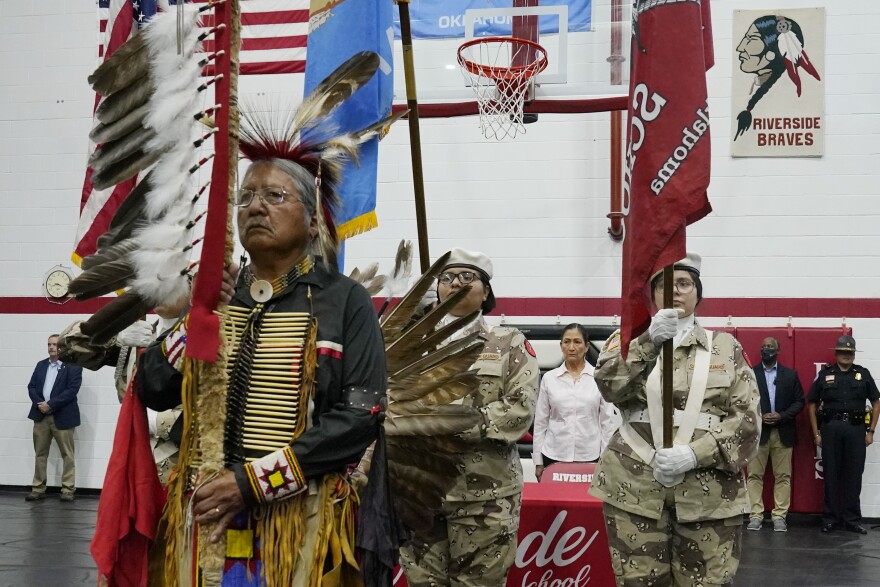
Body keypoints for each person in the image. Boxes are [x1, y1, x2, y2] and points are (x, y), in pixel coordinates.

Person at [136, 157, 388, 583]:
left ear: (312, 222)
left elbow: (360, 416)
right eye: (246, 196)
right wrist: (197, 316)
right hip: (201, 514)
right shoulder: (218, 297)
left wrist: (252, 483)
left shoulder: (344, 301)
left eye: (275, 195)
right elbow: (153, 388)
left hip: (296, 520)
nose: (255, 207)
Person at [588, 253, 760, 586]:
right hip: (634, 485)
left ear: (698, 292)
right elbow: (608, 386)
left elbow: (747, 422)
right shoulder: (626, 340)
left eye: (684, 283)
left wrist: (696, 453)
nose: (675, 291)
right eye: (665, 285)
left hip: (708, 493)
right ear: (651, 295)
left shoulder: (725, 347)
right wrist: (647, 341)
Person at [398, 248, 539, 587]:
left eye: (467, 277)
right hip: (421, 493)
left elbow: (520, 409)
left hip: (485, 498)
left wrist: (455, 422)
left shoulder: (508, 343)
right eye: (447, 278)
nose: (455, 284)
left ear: (485, 292)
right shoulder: (411, 343)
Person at [807, 335, 880, 535]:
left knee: (854, 475)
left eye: (849, 352)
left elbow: (876, 402)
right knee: (831, 475)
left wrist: (871, 431)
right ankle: (830, 519)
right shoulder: (825, 375)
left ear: (853, 354)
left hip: (856, 430)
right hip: (831, 429)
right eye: (842, 352)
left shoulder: (863, 374)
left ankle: (852, 519)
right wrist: (816, 433)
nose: (846, 355)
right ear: (836, 353)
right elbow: (812, 403)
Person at [532, 323, 619, 481]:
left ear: (586, 347)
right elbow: (540, 423)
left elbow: (607, 423)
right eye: (567, 342)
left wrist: (605, 460)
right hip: (553, 455)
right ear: (561, 346)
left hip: (590, 456)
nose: (571, 347)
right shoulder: (549, 379)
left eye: (577, 342)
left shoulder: (599, 378)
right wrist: (538, 462)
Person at [746, 336, 805, 532]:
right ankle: (755, 515)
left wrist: (782, 415)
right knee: (754, 475)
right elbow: (742, 402)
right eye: (763, 346)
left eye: (770, 346)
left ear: (778, 350)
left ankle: (780, 516)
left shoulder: (790, 375)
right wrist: (759, 416)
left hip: (783, 432)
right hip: (758, 433)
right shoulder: (750, 374)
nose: (766, 349)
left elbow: (799, 402)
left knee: (783, 476)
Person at [733, 14, 821, 140]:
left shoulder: (786, 96)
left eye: (751, 39)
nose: (740, 47)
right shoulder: (755, 84)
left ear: (772, 53)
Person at [26, 334, 83, 502]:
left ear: (63, 347)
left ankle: (67, 489)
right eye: (49, 344)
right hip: (40, 416)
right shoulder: (41, 365)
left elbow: (72, 390)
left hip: (63, 416)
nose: (51, 347)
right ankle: (38, 488)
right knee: (40, 454)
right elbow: (32, 387)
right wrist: (40, 403)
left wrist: (50, 404)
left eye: (55, 344)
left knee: (67, 454)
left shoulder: (74, 366)